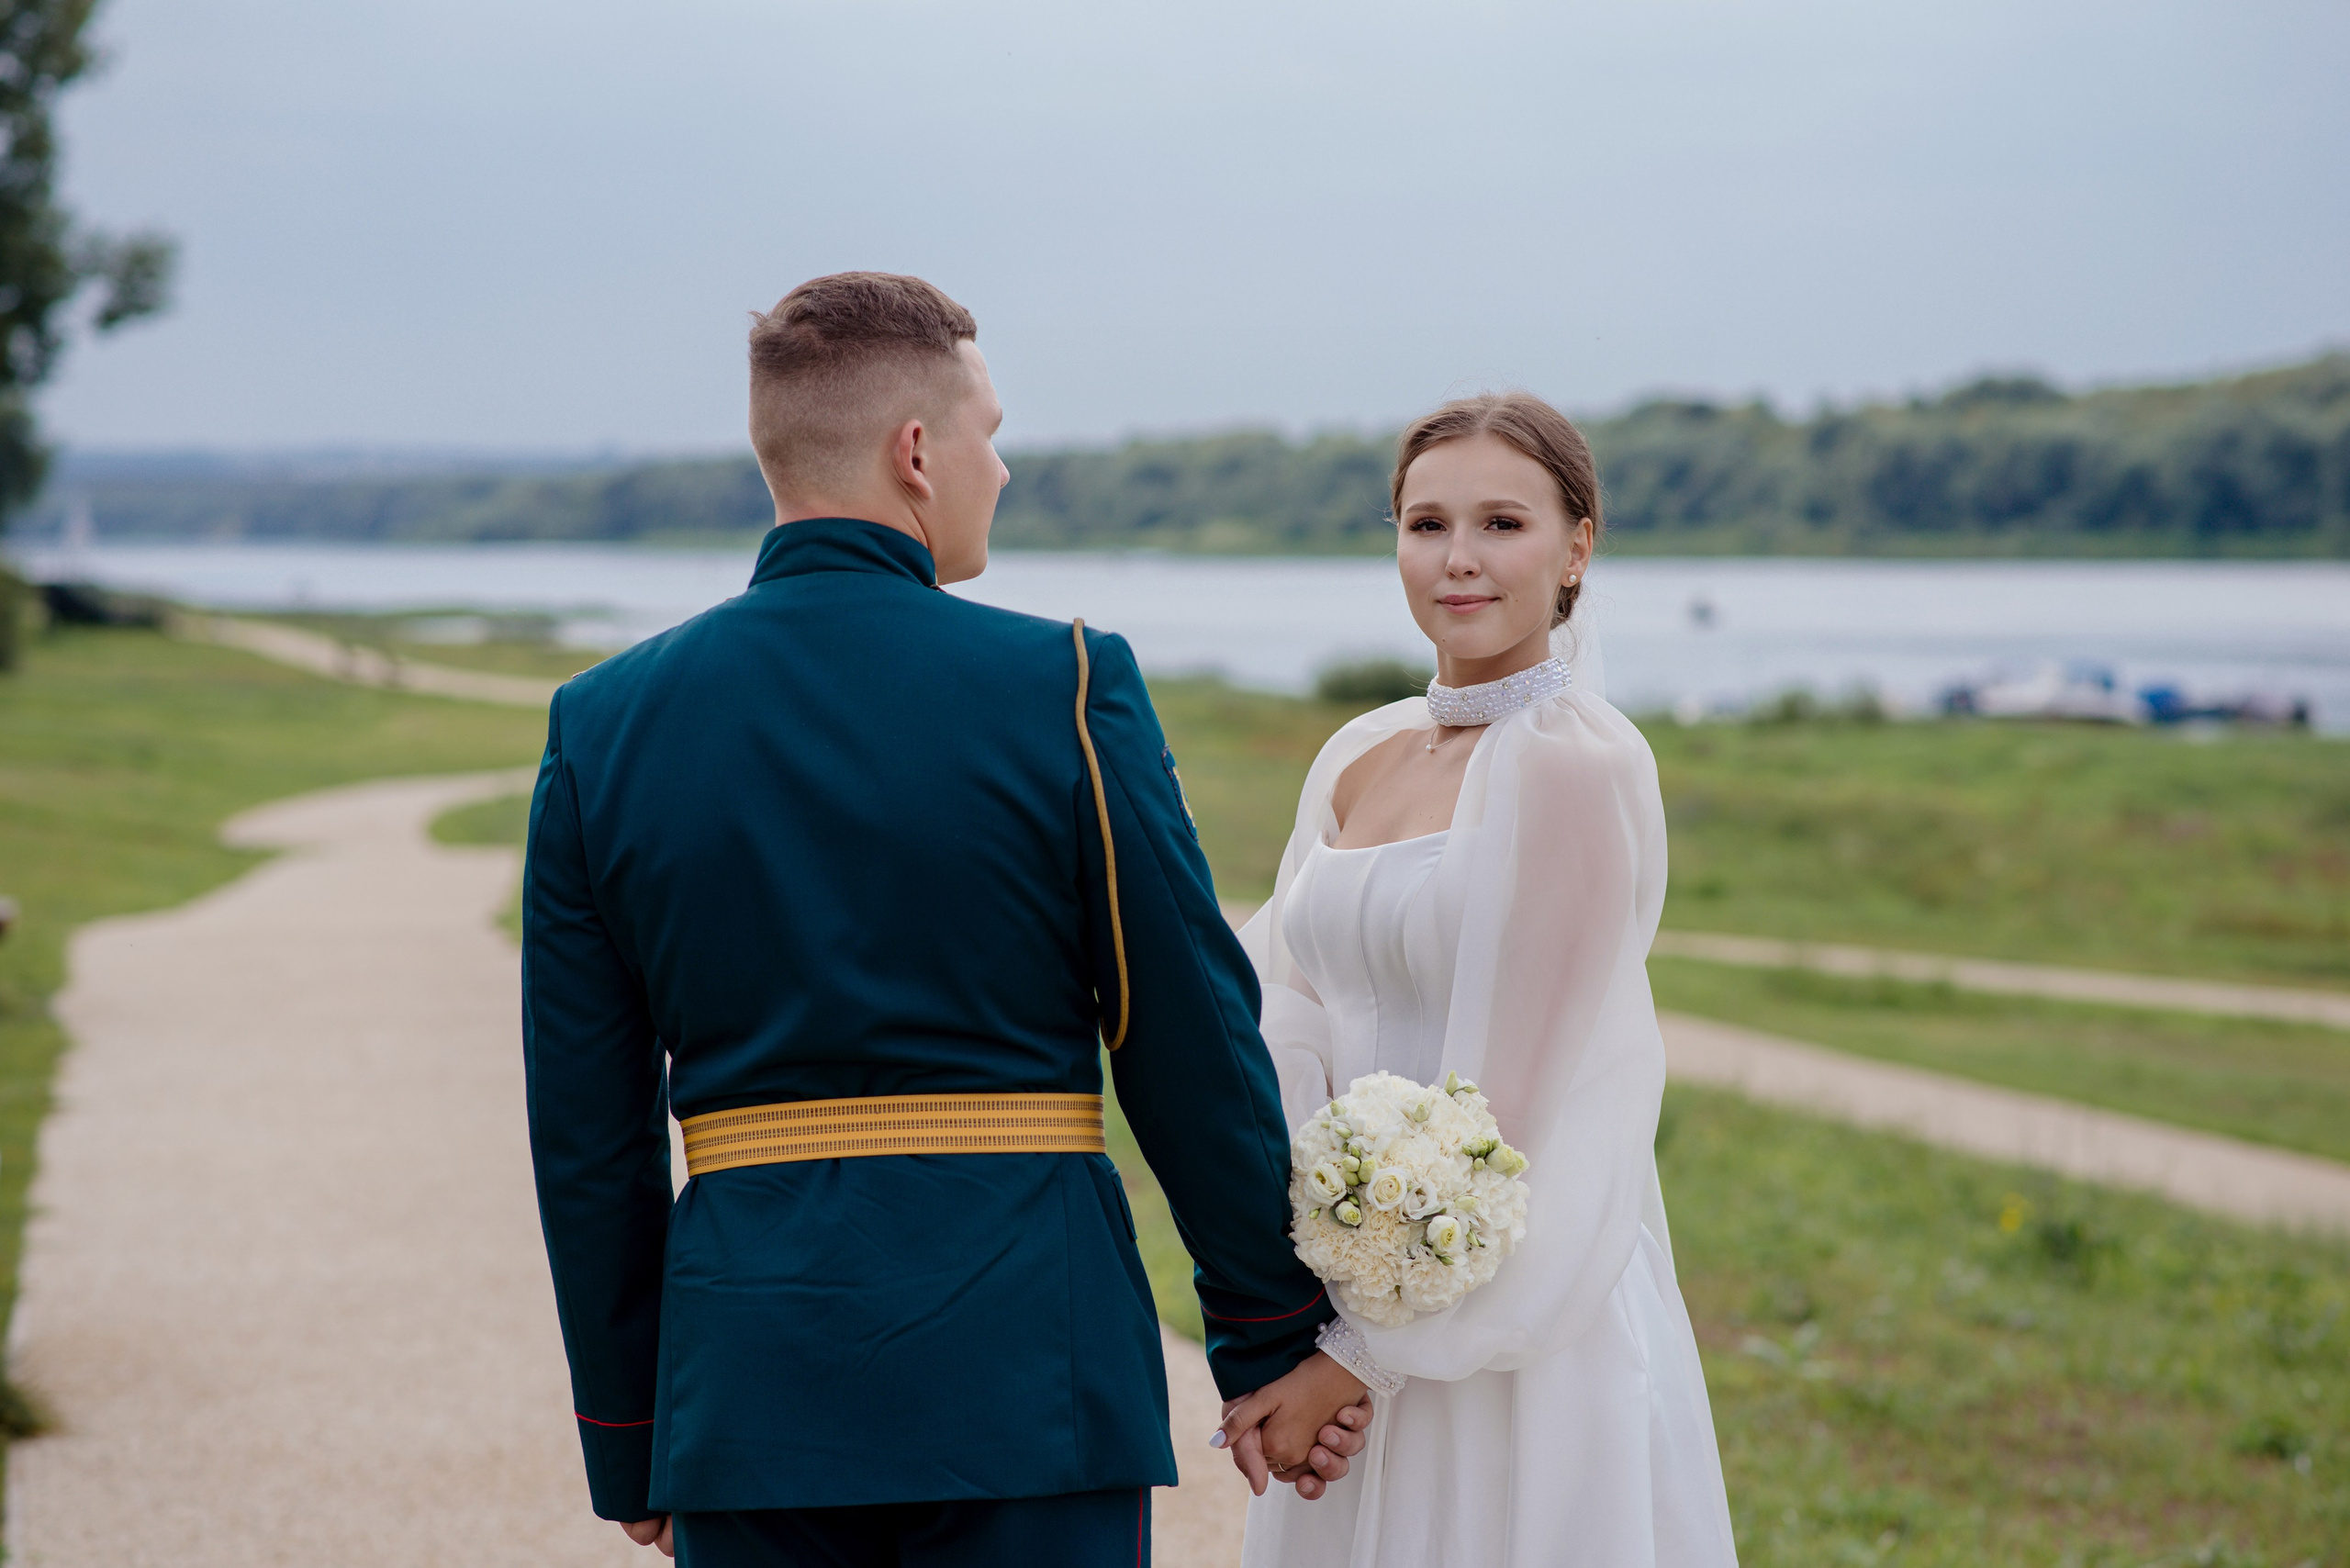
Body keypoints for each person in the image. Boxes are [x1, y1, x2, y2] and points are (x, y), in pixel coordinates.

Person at [521, 272, 1370, 1566]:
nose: (1004, 470)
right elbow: (1185, 1033)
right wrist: (1269, 1334)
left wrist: (630, 1428)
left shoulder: (601, 726)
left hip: (751, 1393)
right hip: (1029, 1371)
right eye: (993, 433)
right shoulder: (1066, 684)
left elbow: (587, 1132)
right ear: (916, 452)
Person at [1225, 393, 1740, 1566]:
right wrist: (1291, 1278)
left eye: (1501, 523)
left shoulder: (1573, 764)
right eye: (1426, 524)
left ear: (1576, 547)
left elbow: (1519, 1115)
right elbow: (1279, 1005)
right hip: (1336, 1281)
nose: (1457, 558)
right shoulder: (1358, 752)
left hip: (1512, 1329)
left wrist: (1359, 1359)